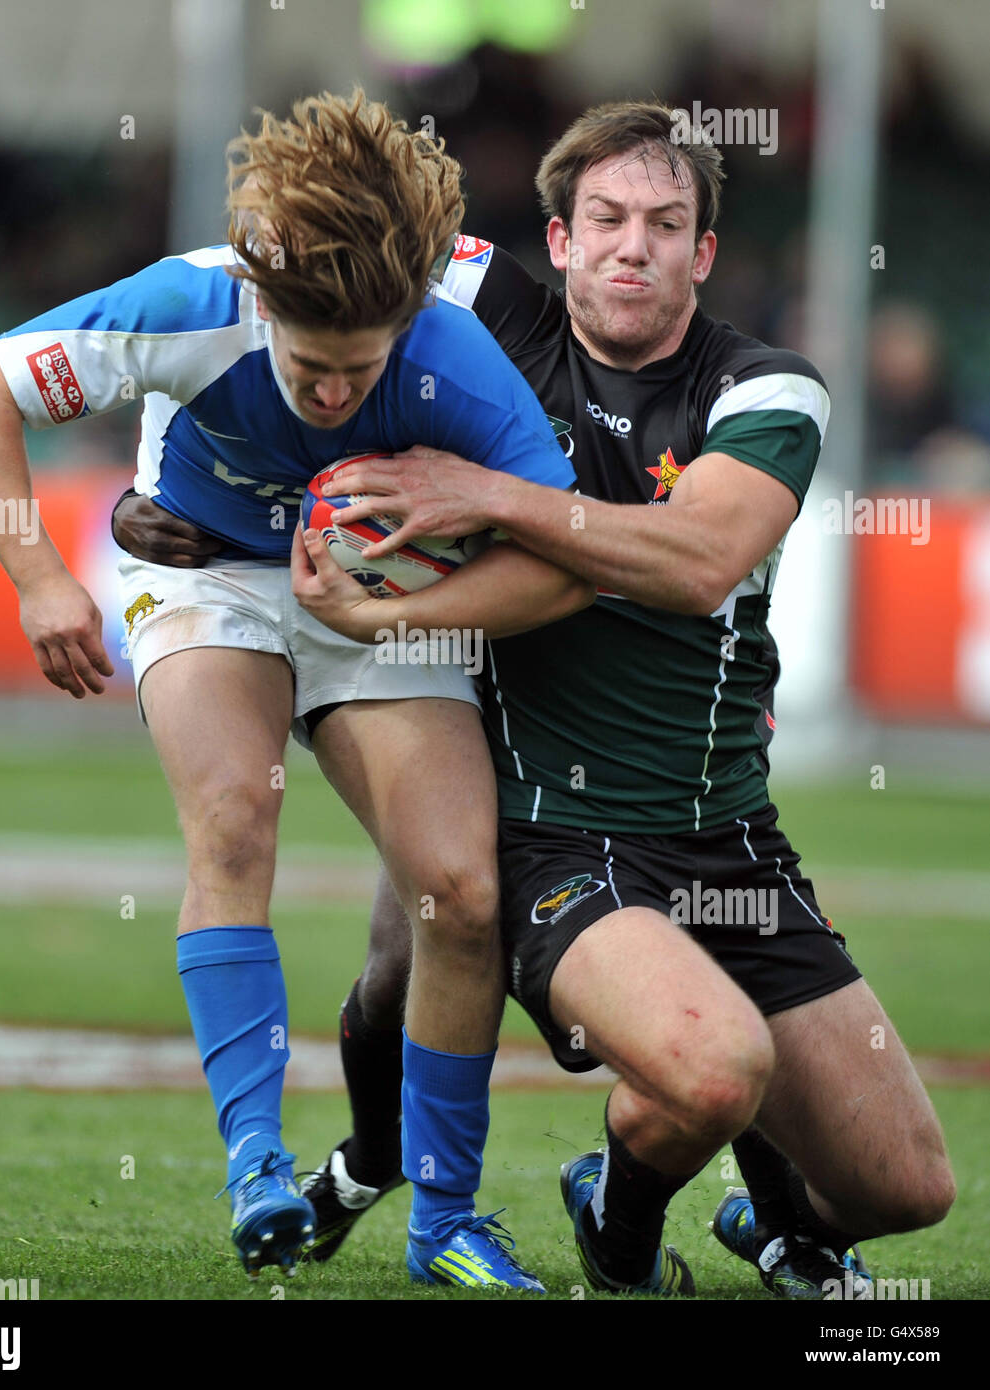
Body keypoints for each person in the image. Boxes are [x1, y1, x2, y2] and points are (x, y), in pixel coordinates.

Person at [115, 101, 956, 1299]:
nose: (633, 246)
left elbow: (696, 557)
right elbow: (291, 262)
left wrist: (484, 496)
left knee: (906, 1186)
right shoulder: (489, 313)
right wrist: (182, 489)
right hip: (547, 827)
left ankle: (754, 1216)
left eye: (667, 225)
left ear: (703, 254)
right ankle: (512, 1196)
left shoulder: (765, 386)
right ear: (554, 241)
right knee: (504, 966)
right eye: (604, 220)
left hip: (725, 835)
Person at [0, 90, 592, 1290]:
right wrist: (37, 578)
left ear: (403, 326)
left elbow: (564, 562)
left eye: (360, 368)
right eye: (307, 365)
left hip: (374, 593)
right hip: (202, 569)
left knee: (461, 892)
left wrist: (389, 609)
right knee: (234, 819)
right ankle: (256, 1166)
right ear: (261, 305)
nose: (333, 391)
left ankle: (443, 1223)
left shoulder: (455, 359)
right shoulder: (190, 301)